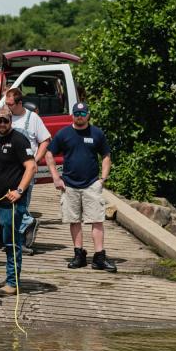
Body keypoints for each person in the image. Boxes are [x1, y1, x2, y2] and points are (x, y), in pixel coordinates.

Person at [46, 102, 116, 272]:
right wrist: (56, 177)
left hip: (92, 184)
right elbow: (49, 153)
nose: (79, 116)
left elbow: (106, 155)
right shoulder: (64, 133)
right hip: (69, 185)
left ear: (88, 114)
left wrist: (103, 179)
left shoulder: (96, 133)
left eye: (82, 113)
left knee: (97, 220)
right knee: (74, 220)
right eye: (76, 113)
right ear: (72, 115)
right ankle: (79, 255)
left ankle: (99, 257)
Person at [0, 106, 36, 297]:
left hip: (10, 201)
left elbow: (31, 167)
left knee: (11, 242)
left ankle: (12, 282)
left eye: (5, 121)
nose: (2, 124)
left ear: (11, 121)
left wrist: (20, 191)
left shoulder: (19, 140)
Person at [0, 87, 49, 252]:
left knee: (20, 206)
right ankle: (16, 235)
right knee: (4, 208)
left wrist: (35, 160)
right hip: (4, 169)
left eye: (11, 104)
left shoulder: (32, 118)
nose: (7, 107)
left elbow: (46, 140)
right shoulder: (3, 115)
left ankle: (18, 241)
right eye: (6, 103)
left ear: (20, 103)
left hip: (24, 170)